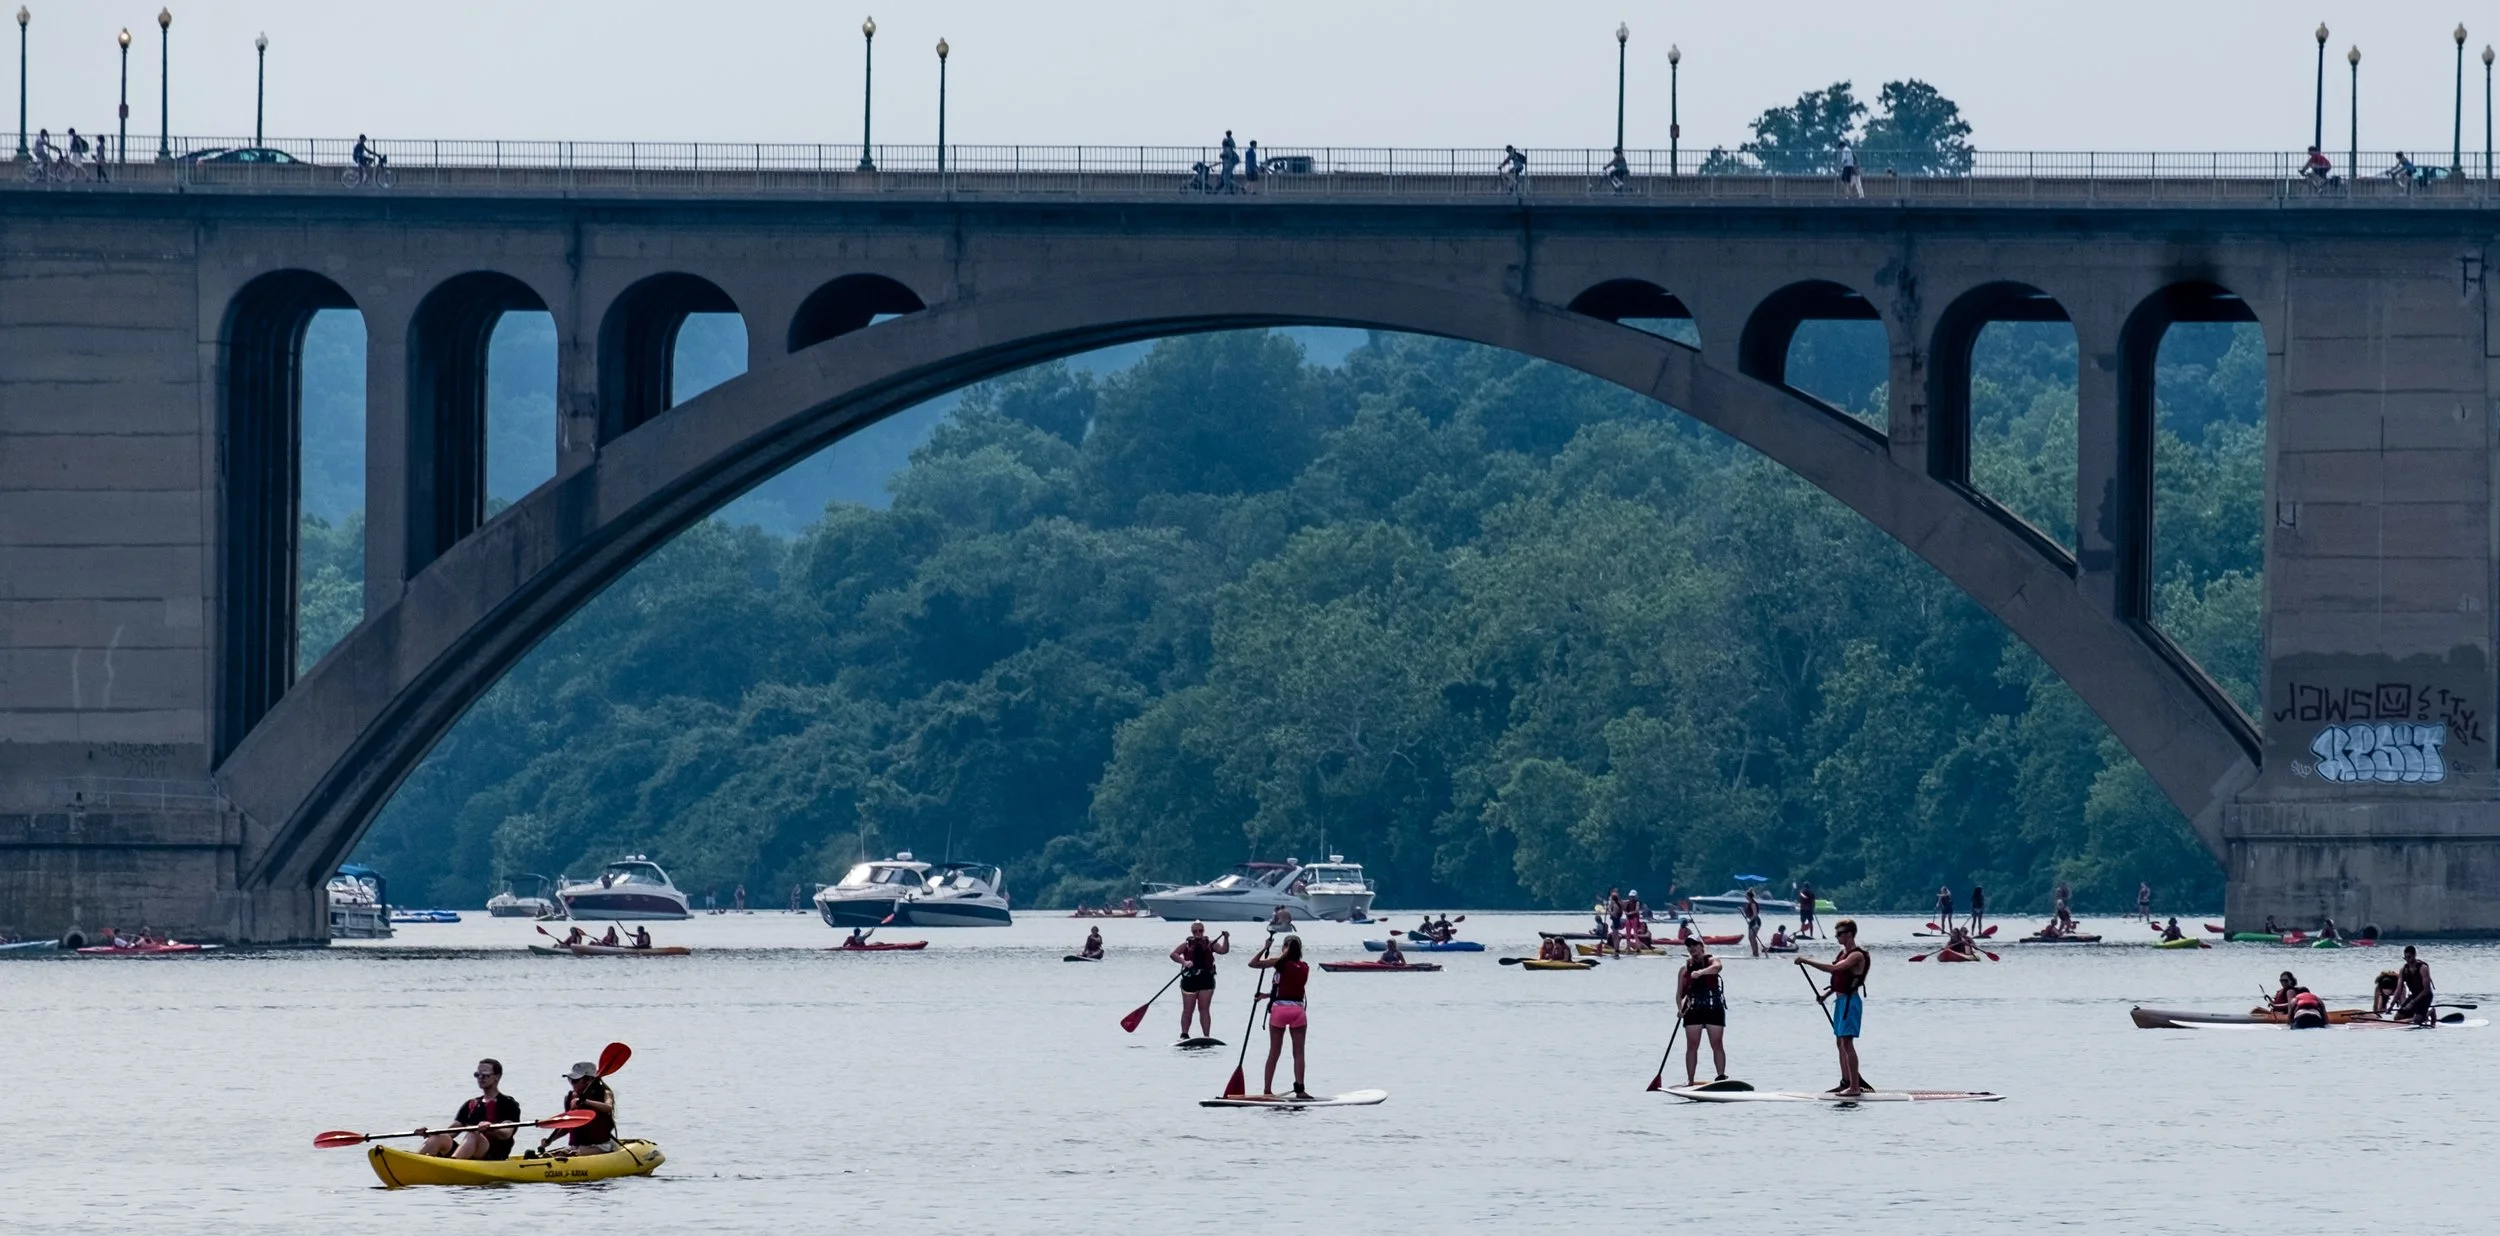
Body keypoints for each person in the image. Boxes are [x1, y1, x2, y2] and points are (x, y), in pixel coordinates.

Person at [1797, 919, 1872, 1097]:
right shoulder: (1842, 952)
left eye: (1840, 933)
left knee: (1847, 1042)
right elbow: (1839, 980)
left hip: (1850, 1003)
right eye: (1836, 933)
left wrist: (1807, 961)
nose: (1837, 937)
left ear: (1850, 934)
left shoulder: (1856, 955)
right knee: (1839, 1043)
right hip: (1839, 1002)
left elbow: (1833, 969)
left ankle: (1854, 1087)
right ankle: (1845, 1082)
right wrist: (1825, 996)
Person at [416, 1058, 522, 1160]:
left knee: (474, 1133)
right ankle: (417, 1160)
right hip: (470, 1153)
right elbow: (451, 1132)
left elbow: (506, 1133)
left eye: (485, 1074)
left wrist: (491, 1127)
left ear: (497, 1077)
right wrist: (431, 1132)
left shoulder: (508, 1104)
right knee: (439, 1136)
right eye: (477, 1074)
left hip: (492, 1156)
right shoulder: (471, 1104)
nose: (480, 1077)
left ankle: (453, 1165)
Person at [1248, 934, 1312, 1099]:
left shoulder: (1279, 963)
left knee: (1274, 1052)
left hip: (1279, 1012)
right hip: (1298, 1011)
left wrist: (1265, 947)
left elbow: (1252, 963)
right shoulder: (1305, 966)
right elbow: (1289, 989)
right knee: (1298, 1053)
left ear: (1285, 948)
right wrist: (1265, 995)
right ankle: (1300, 1090)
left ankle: (1267, 1091)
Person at [537, 1061, 618, 1157]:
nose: (571, 1083)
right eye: (570, 1079)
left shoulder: (605, 1093)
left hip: (600, 1146)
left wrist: (585, 1101)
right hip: (575, 1146)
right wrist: (550, 1140)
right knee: (557, 1154)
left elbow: (608, 1108)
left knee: (573, 1154)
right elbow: (567, 1126)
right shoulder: (569, 1097)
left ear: (587, 1080)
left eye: (575, 1080)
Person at [1678, 936, 1728, 1085]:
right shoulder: (1684, 968)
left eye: (1694, 945)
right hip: (1693, 1009)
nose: (1692, 948)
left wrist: (1700, 973)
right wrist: (1680, 1009)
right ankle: (1690, 1080)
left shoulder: (1713, 960)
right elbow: (1679, 994)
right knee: (1692, 1045)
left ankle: (1721, 1076)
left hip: (1713, 1007)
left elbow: (1717, 968)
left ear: (1701, 946)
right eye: (1689, 946)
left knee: (1717, 1043)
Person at [1170, 922, 1230, 1040]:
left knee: (1204, 1009)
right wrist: (1184, 962)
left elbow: (1223, 950)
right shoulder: (1186, 944)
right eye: (1195, 931)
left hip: (1206, 980)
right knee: (1188, 1009)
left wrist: (1226, 938)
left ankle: (1206, 1036)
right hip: (1190, 981)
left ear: (1203, 931)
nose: (1198, 933)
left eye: (1200, 931)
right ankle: (1184, 1034)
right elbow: (1173, 954)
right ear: (1192, 932)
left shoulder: (1211, 943)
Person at [2395, 946, 2434, 1024]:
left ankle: (2430, 1012)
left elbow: (2427, 990)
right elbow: (2399, 989)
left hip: (2425, 997)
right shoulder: (2403, 970)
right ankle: (2414, 1015)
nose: (2407, 960)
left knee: (2417, 1021)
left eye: (2409, 957)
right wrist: (2391, 1005)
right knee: (2397, 1018)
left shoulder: (2423, 968)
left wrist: (2412, 1003)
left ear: (2414, 955)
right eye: (2405, 958)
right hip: (2414, 996)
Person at [1743, 886, 1763, 957]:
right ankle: (1754, 952)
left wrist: (1750, 920)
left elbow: (1755, 914)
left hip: (1755, 922)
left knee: (1753, 937)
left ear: (1749, 896)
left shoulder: (1753, 903)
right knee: (1750, 937)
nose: (1745, 896)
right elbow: (1750, 914)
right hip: (1752, 921)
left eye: (1746, 895)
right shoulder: (1749, 903)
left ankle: (1756, 953)